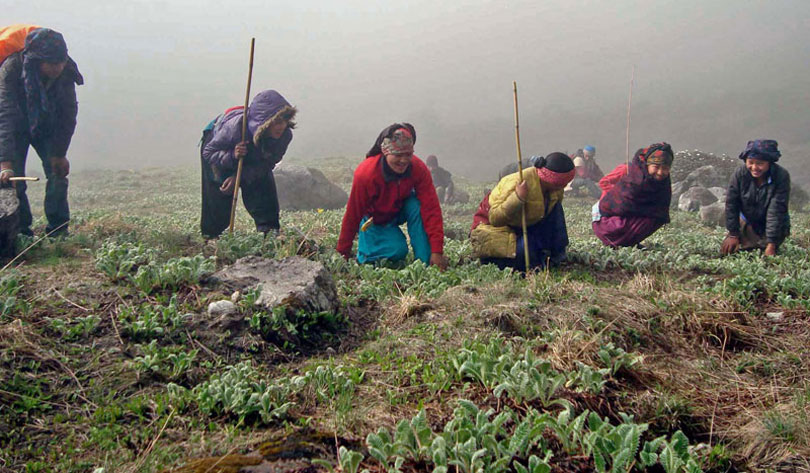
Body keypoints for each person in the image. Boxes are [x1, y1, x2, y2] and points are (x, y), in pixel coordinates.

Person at [0, 26, 83, 237]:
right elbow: (5, 115)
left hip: (47, 126)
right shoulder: (11, 70)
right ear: (36, 60)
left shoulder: (66, 73)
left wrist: (59, 153)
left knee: (58, 174)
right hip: (15, 127)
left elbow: (67, 115)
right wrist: (5, 162)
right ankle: (21, 233)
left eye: (61, 62)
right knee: (13, 181)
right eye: (51, 63)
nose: (58, 67)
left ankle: (58, 231)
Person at [337, 123, 447, 270]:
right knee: (398, 250)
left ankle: (425, 261)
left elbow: (431, 208)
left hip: (398, 209)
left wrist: (436, 251)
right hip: (374, 218)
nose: (403, 160)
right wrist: (342, 253)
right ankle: (366, 251)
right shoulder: (366, 174)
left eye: (407, 154)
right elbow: (353, 214)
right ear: (385, 152)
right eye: (397, 155)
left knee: (416, 204)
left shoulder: (418, 169)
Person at [200, 89, 296, 238]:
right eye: (276, 121)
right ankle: (213, 237)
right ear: (264, 121)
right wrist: (232, 155)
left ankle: (269, 233)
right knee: (219, 190)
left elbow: (268, 164)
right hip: (219, 148)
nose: (281, 126)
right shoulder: (235, 129)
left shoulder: (284, 136)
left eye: (284, 120)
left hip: (254, 155)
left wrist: (240, 177)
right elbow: (209, 152)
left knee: (263, 184)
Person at [470, 153, 575, 271]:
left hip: (527, 224)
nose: (565, 186)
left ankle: (557, 255)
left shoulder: (555, 189)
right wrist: (517, 198)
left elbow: (554, 218)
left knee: (556, 209)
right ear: (553, 180)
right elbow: (495, 218)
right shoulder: (517, 182)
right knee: (525, 256)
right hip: (495, 228)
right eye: (562, 183)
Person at [592, 143, 674, 248]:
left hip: (629, 217)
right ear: (647, 164)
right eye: (656, 167)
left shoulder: (663, 183)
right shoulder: (635, 179)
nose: (660, 172)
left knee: (657, 217)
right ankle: (618, 241)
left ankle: (629, 241)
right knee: (652, 217)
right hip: (606, 219)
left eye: (665, 168)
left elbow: (661, 208)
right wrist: (613, 192)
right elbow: (617, 204)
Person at [720, 140, 790, 257]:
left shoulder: (780, 176)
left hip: (772, 224)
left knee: (765, 252)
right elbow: (732, 204)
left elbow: (776, 211)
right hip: (747, 220)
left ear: (769, 163)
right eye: (750, 162)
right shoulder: (740, 174)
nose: (754, 167)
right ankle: (748, 239)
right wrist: (733, 234)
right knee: (730, 252)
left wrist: (771, 243)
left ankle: (767, 242)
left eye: (760, 163)